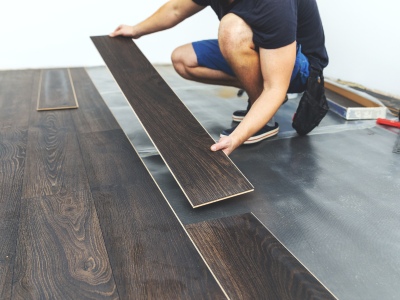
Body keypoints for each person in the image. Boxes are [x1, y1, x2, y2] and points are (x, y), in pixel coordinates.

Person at [110, 0, 328, 155]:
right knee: (183, 59)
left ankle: (264, 121)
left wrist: (237, 137)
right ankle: (260, 103)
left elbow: (275, 88)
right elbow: (176, 9)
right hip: (264, 52)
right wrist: (136, 30)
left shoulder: (274, 4)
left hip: (302, 68)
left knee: (232, 29)